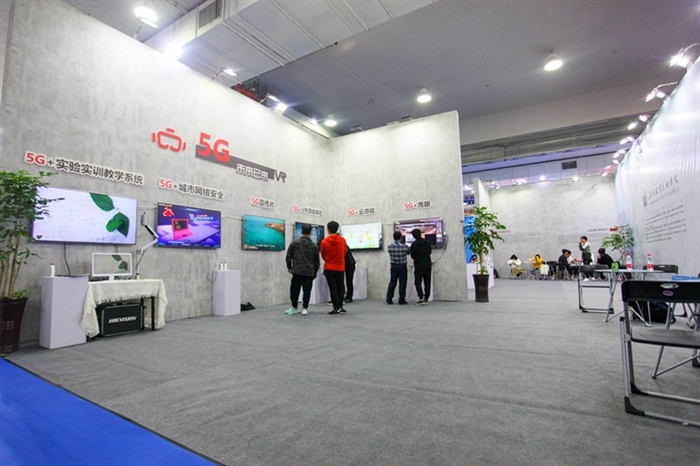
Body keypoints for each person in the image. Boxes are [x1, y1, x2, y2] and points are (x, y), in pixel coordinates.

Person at [284, 224, 320, 316]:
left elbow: (288, 256)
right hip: (309, 272)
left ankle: (294, 307)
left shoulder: (294, 243)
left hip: (297, 271)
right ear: (310, 232)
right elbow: (317, 261)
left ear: (301, 231)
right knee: (307, 291)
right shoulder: (314, 245)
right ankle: (305, 308)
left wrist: (289, 267)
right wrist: (315, 272)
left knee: (294, 290)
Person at [320, 221, 347, 315]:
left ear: (328, 229)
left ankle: (336, 308)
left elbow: (323, 255)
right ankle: (341, 306)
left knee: (333, 289)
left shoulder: (324, 242)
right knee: (341, 287)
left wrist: (329, 260)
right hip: (340, 267)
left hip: (329, 267)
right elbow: (344, 252)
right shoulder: (343, 240)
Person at [386, 231, 410, 305]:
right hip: (402, 266)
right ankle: (401, 299)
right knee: (402, 282)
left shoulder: (389, 246)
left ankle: (389, 299)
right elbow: (408, 252)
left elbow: (389, 252)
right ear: (401, 237)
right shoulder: (404, 246)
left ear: (393, 237)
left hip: (393, 266)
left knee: (392, 282)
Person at [410, 228, 432, 304]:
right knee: (427, 282)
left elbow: (412, 255)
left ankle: (421, 297)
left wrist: (417, 258)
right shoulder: (427, 242)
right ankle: (426, 298)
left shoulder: (414, 244)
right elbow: (430, 252)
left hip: (418, 265)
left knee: (417, 282)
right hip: (427, 264)